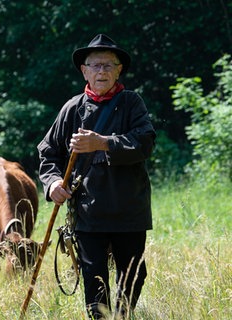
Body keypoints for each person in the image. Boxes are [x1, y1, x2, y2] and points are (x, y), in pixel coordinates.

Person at [37, 34, 156, 319]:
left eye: (108, 65)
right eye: (95, 65)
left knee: (133, 276)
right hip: (88, 212)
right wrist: (53, 182)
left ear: (119, 70)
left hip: (129, 209)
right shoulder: (71, 108)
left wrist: (103, 142)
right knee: (94, 279)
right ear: (84, 70)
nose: (101, 71)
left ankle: (123, 316)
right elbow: (47, 152)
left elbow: (145, 142)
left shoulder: (131, 103)